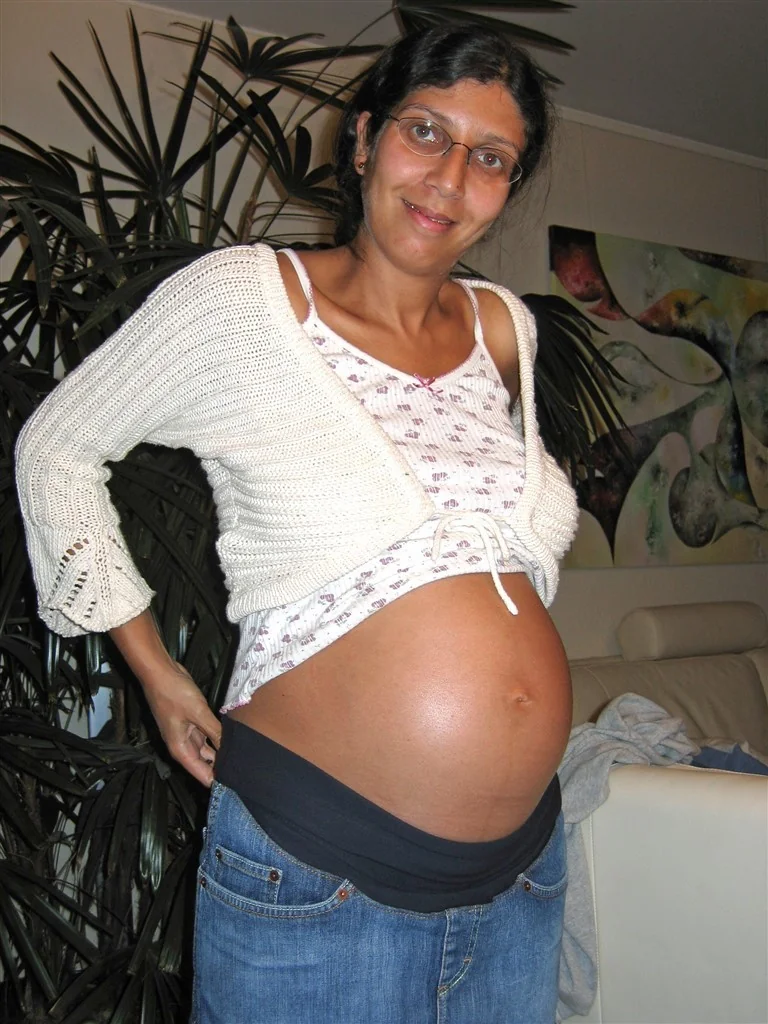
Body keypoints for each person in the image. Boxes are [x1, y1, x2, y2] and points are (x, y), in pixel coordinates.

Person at [15, 23, 579, 1024]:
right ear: (363, 139)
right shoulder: (247, 301)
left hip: (523, 878)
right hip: (319, 876)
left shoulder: (506, 328)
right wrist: (156, 669)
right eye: (425, 132)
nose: (450, 178)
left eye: (491, 157)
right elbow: (57, 448)